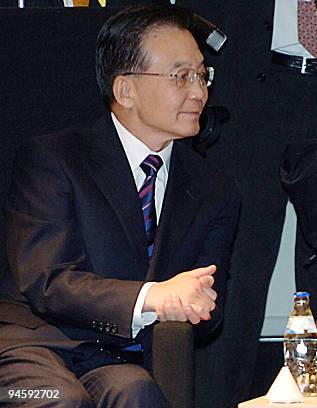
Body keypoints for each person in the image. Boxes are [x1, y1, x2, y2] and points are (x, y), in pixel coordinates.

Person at [0, 4, 239, 407]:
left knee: (138, 393)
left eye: (202, 75)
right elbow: (46, 282)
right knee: (59, 399)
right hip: (31, 345)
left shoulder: (215, 189)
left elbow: (209, 308)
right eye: (181, 76)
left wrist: (194, 301)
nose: (199, 92)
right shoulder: (54, 159)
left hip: (110, 357)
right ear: (125, 89)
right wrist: (155, 296)